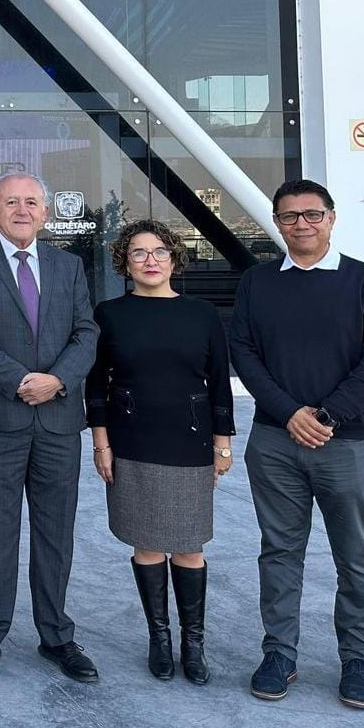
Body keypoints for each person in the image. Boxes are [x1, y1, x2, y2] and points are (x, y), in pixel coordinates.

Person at [229, 179, 364, 710]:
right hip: (275, 443)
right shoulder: (257, 283)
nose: (300, 224)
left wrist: (324, 415)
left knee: (355, 557)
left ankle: (358, 659)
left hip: (346, 442)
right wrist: (290, 413)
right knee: (279, 552)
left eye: (311, 214)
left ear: (331, 217)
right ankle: (280, 653)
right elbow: (244, 352)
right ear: (277, 224)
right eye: (288, 216)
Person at [0, 172, 99, 683]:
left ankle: (56, 635)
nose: (21, 209)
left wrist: (56, 380)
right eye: (11, 201)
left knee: (56, 532)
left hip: (58, 419)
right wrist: (19, 381)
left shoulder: (69, 266)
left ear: (45, 212)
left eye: (31, 201)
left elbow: (86, 331)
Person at [86, 220, 235, 685]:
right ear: (124, 264)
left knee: (190, 546)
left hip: (190, 440)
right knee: (147, 543)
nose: (150, 260)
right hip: (132, 441)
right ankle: (160, 638)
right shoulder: (109, 314)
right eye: (138, 253)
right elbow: (95, 385)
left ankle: (194, 643)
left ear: (174, 257)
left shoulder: (202, 314)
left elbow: (220, 385)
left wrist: (223, 443)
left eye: (159, 251)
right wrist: (100, 442)